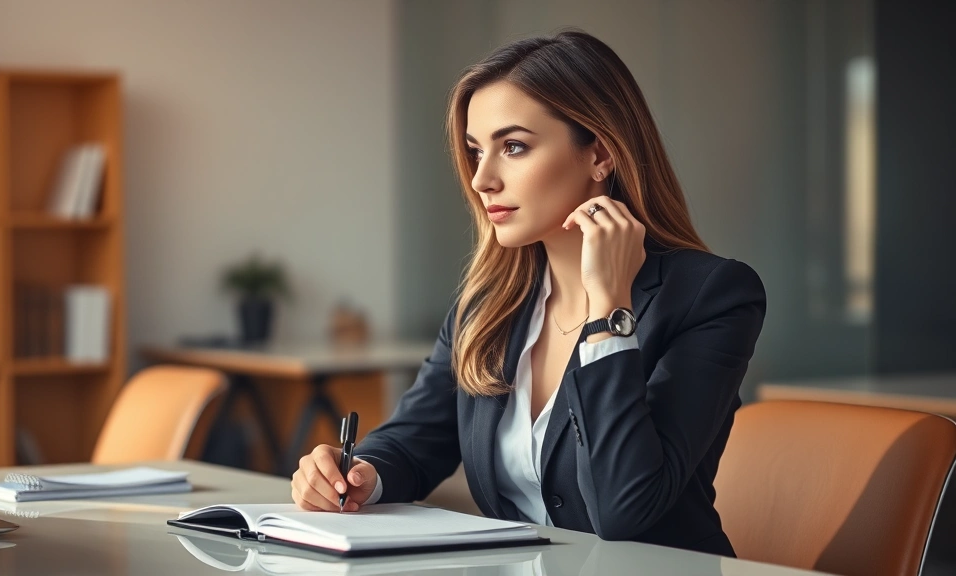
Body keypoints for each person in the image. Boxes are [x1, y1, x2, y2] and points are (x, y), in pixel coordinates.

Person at [290, 29, 766, 557]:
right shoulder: (488, 302)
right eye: (476, 151)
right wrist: (357, 473)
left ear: (601, 154)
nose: (482, 179)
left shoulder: (711, 296)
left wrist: (610, 311)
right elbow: (415, 438)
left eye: (513, 147)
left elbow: (624, 508)